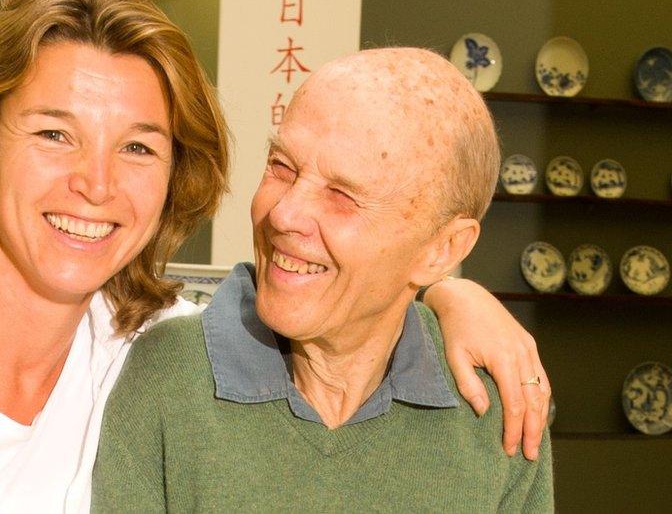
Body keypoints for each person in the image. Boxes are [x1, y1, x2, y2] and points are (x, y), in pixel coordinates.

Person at [0, 0, 547, 512]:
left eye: (139, 147)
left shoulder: (146, 344)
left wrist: (451, 292)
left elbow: (322, 294)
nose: (97, 182)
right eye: (54, 134)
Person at [93, 48, 553, 512]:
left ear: (442, 249)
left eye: (342, 194)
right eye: (282, 167)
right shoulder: (169, 374)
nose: (284, 213)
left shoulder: (502, 407)